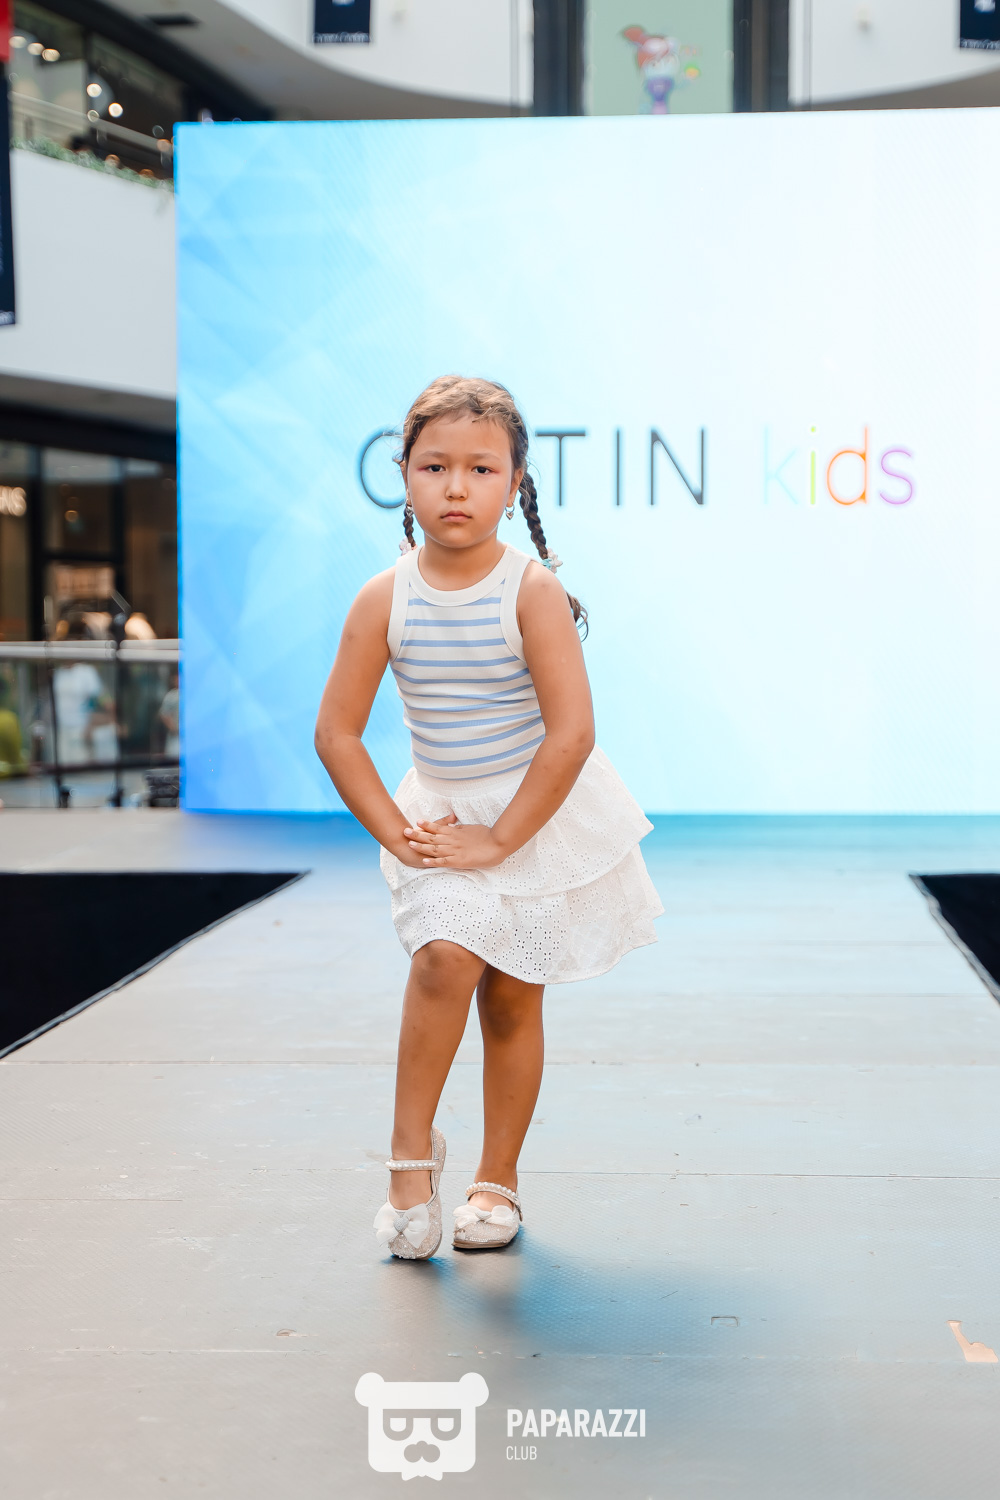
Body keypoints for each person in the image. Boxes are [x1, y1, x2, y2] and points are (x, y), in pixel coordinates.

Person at [314, 376, 662, 1259]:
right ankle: (408, 1162)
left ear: (514, 485)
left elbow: (571, 734)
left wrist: (502, 839)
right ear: (404, 475)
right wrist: (398, 834)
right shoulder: (383, 597)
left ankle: (495, 1178)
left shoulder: (531, 591)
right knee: (443, 959)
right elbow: (337, 733)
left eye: (481, 468)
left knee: (510, 997)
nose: (456, 487)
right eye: (434, 467)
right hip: (439, 816)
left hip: (534, 816)